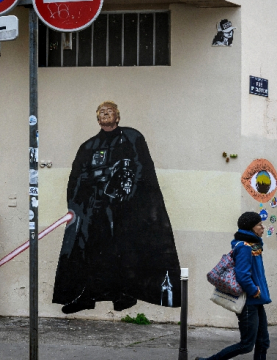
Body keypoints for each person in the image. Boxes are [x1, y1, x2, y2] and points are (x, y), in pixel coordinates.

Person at [52, 101, 181, 314]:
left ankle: (123, 294)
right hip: (95, 210)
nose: (105, 113)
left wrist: (127, 193)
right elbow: (77, 176)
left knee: (123, 250)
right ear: (97, 118)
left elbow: (141, 168)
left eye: (109, 110)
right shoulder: (89, 146)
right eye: (101, 111)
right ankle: (87, 294)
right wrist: (78, 205)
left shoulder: (132, 138)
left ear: (117, 116)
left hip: (125, 210)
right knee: (91, 251)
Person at [196, 211, 271, 360]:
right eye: (259, 225)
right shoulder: (244, 248)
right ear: (251, 228)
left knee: (263, 341)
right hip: (249, 302)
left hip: (257, 301)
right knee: (247, 344)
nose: (262, 227)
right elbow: (242, 275)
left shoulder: (253, 246)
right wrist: (254, 290)